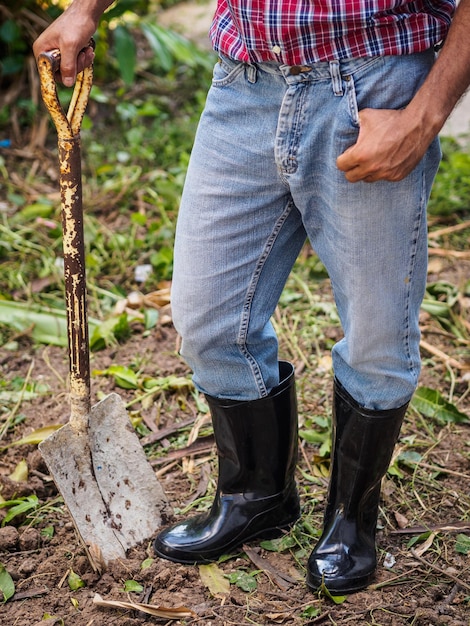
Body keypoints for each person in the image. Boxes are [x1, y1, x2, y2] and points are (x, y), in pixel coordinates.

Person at [34, 0, 470, 594]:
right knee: (208, 320)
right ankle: (257, 496)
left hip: (376, 84)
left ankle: (351, 520)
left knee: (377, 338)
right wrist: (85, 8)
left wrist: (425, 115)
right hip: (246, 82)